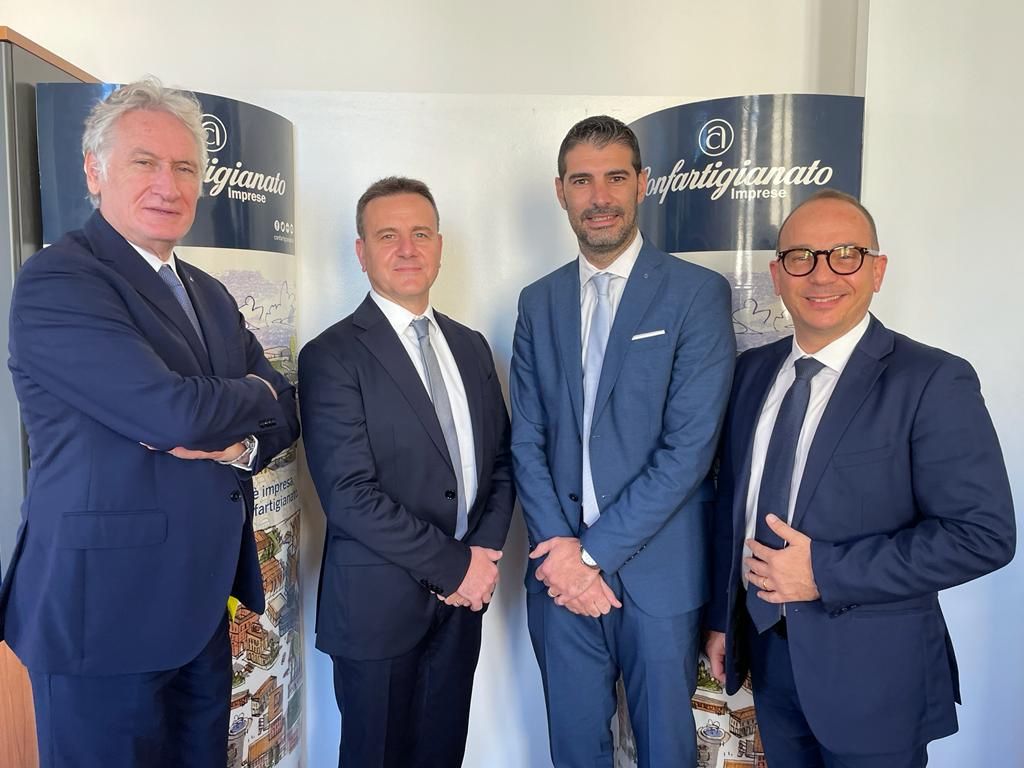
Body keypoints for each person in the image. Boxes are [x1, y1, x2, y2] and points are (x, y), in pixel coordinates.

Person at [0, 79, 299, 768]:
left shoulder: (210, 294)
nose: (169, 184)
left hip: (198, 608)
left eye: (185, 167)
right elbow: (171, 413)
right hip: (101, 618)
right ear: (93, 171)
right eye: (145, 162)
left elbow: (284, 407)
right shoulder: (60, 280)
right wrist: (245, 394)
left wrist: (237, 436)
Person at [705, 190, 1015, 768]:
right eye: (801, 256)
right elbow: (733, 507)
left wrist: (823, 571)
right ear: (777, 274)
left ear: (877, 270)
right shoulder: (750, 373)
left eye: (845, 254)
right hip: (769, 659)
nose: (822, 274)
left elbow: (983, 536)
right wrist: (722, 622)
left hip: (877, 678)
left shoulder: (932, 380)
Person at [510, 115, 735, 767]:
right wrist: (564, 557)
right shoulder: (538, 302)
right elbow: (527, 439)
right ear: (561, 191)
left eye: (615, 177)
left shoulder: (696, 294)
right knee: (575, 750)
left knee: (666, 750)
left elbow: (688, 451)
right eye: (582, 181)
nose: (599, 197)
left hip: (658, 576)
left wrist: (591, 556)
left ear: (643, 183)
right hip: (557, 574)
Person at [299, 176, 515, 767]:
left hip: (463, 604)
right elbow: (349, 495)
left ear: (440, 245)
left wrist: (482, 554)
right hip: (377, 610)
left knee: (443, 755)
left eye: (420, 234)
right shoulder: (331, 355)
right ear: (361, 251)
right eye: (387, 235)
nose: (407, 249)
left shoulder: (471, 346)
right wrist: (455, 567)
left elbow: (501, 461)